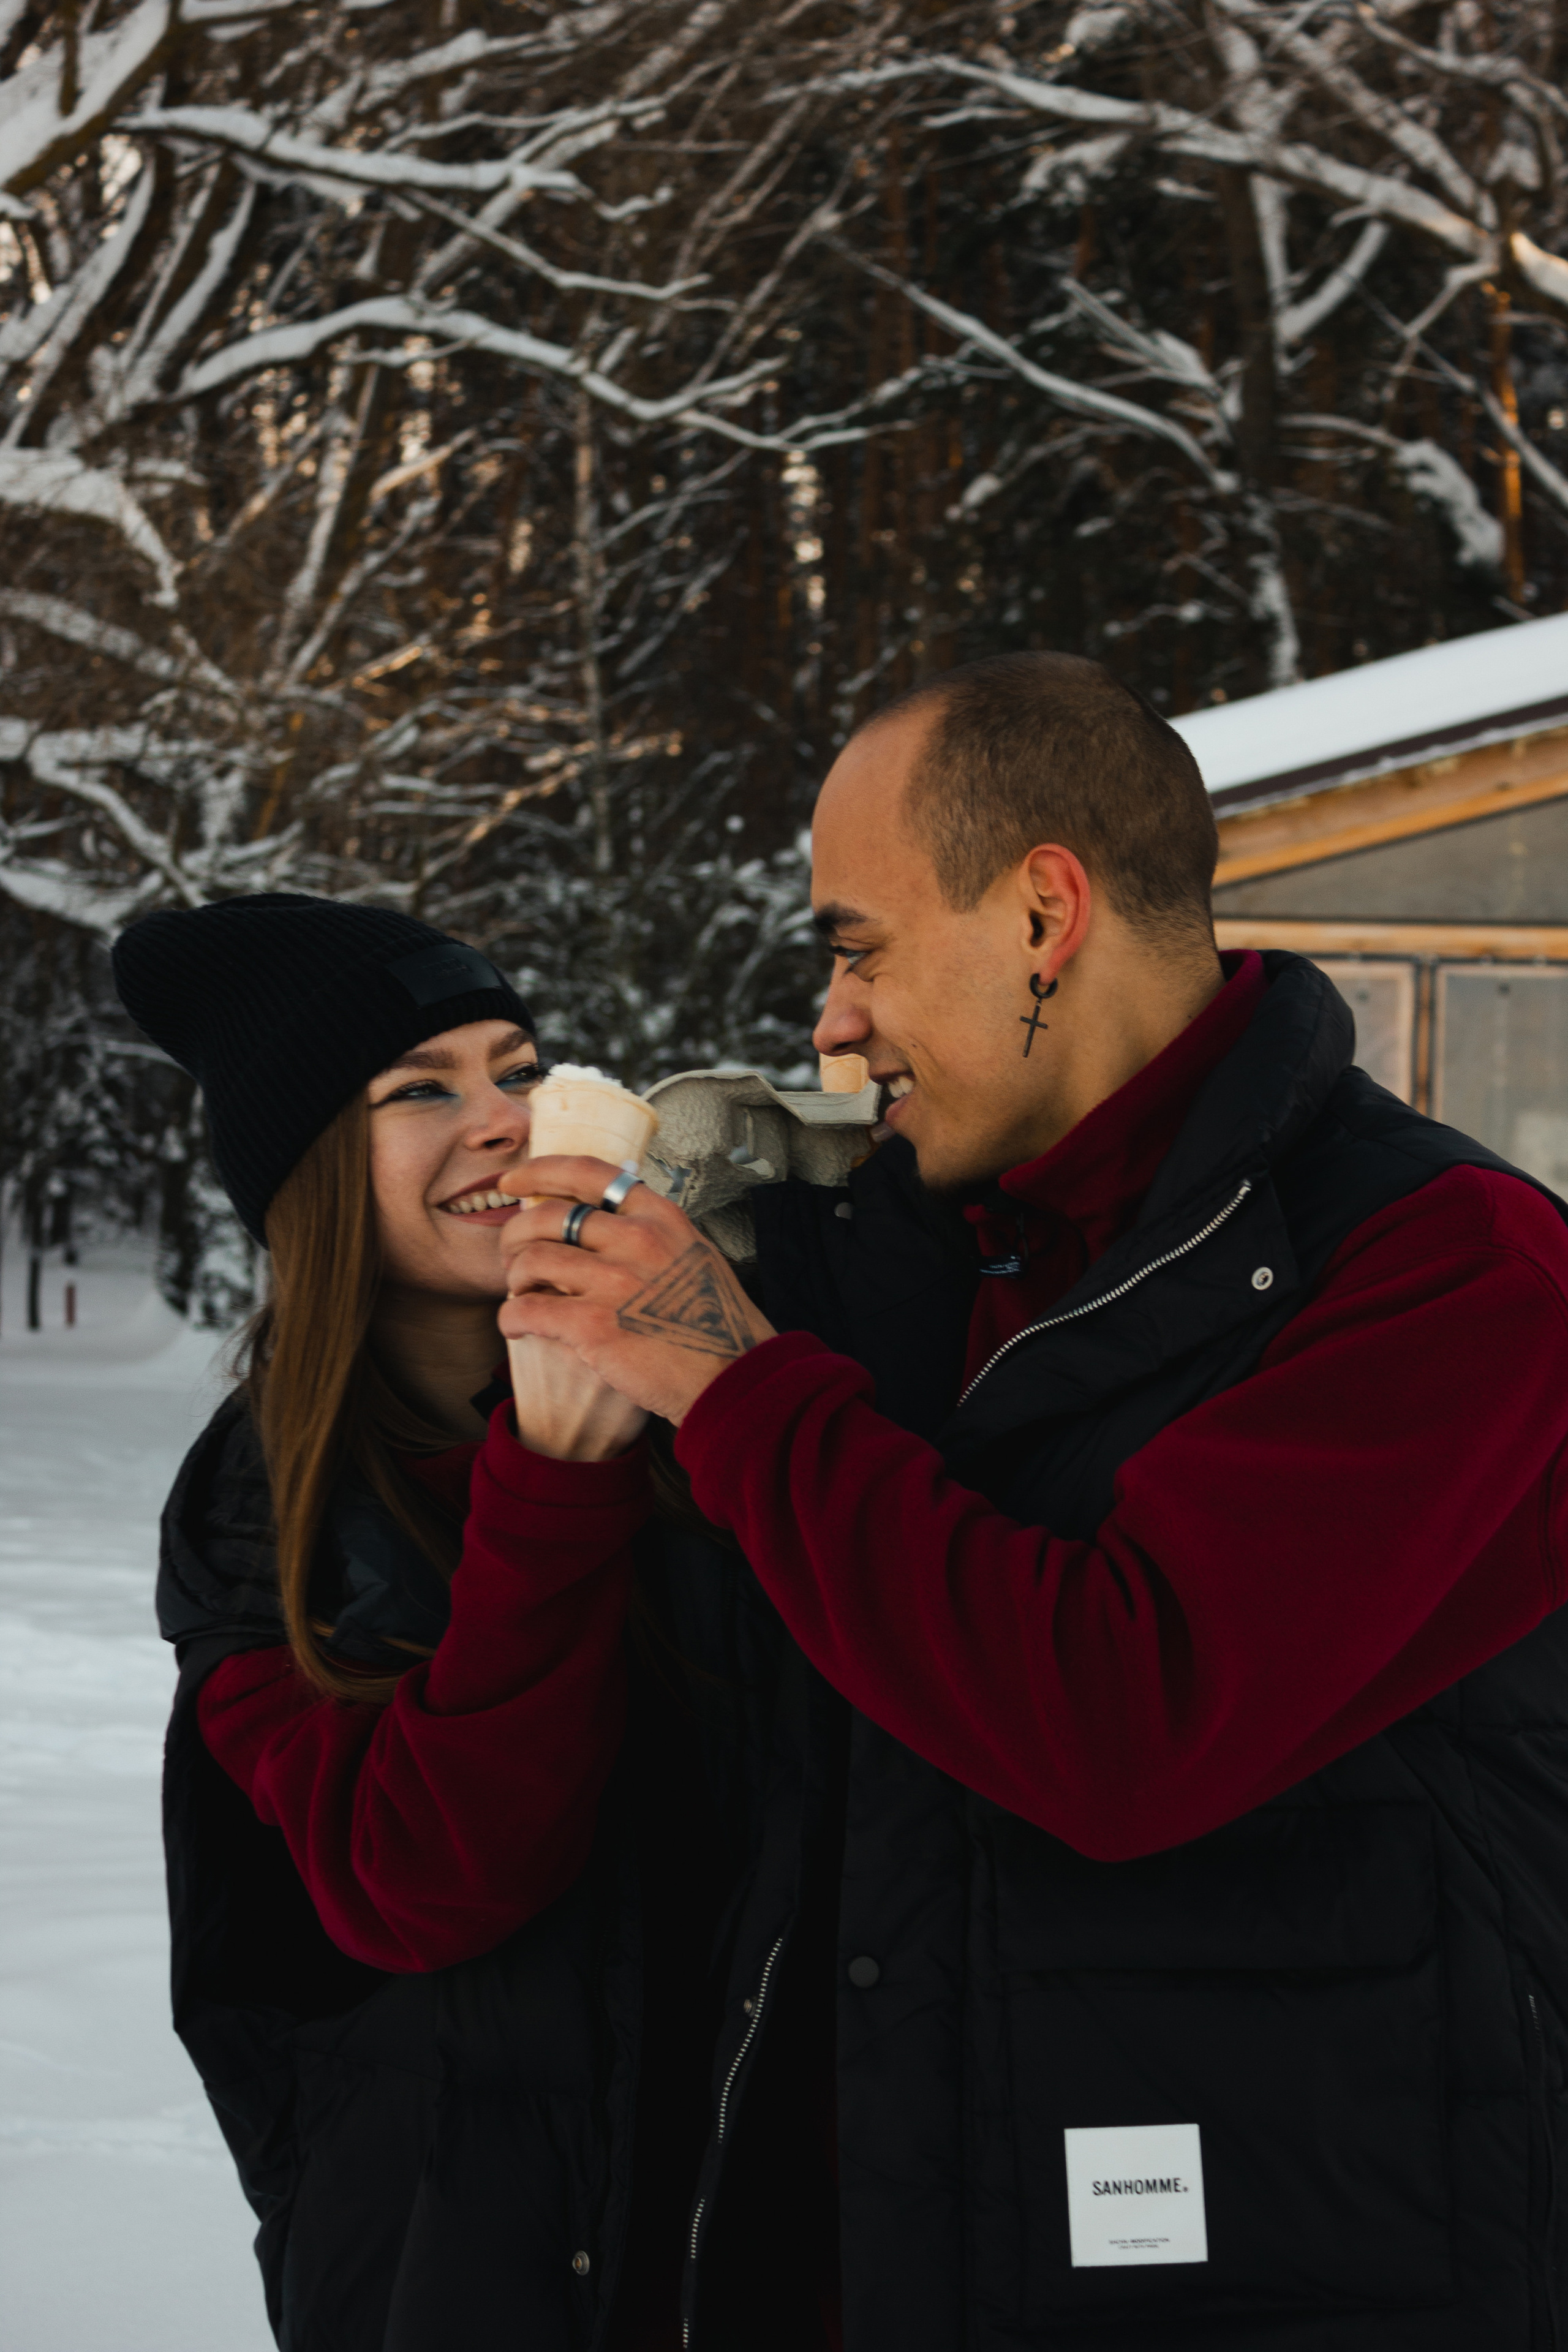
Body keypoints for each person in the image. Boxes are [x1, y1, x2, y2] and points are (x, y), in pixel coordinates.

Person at [504, 652, 1568, 2351]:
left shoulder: (1454, 1279)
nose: (830, 1022)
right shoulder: (923, 1258)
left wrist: (733, 1377)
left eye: (858, 948)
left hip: (1308, 2287)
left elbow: (1121, 1719)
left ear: (1046, 915)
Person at [117, 895, 845, 2352]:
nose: (502, 1120)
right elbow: (422, 1883)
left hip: (764, 2239)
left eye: (514, 1067)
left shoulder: (704, 1393)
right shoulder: (257, 1511)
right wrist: (555, 1479)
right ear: (311, 1167)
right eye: (419, 1090)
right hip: (458, 2267)